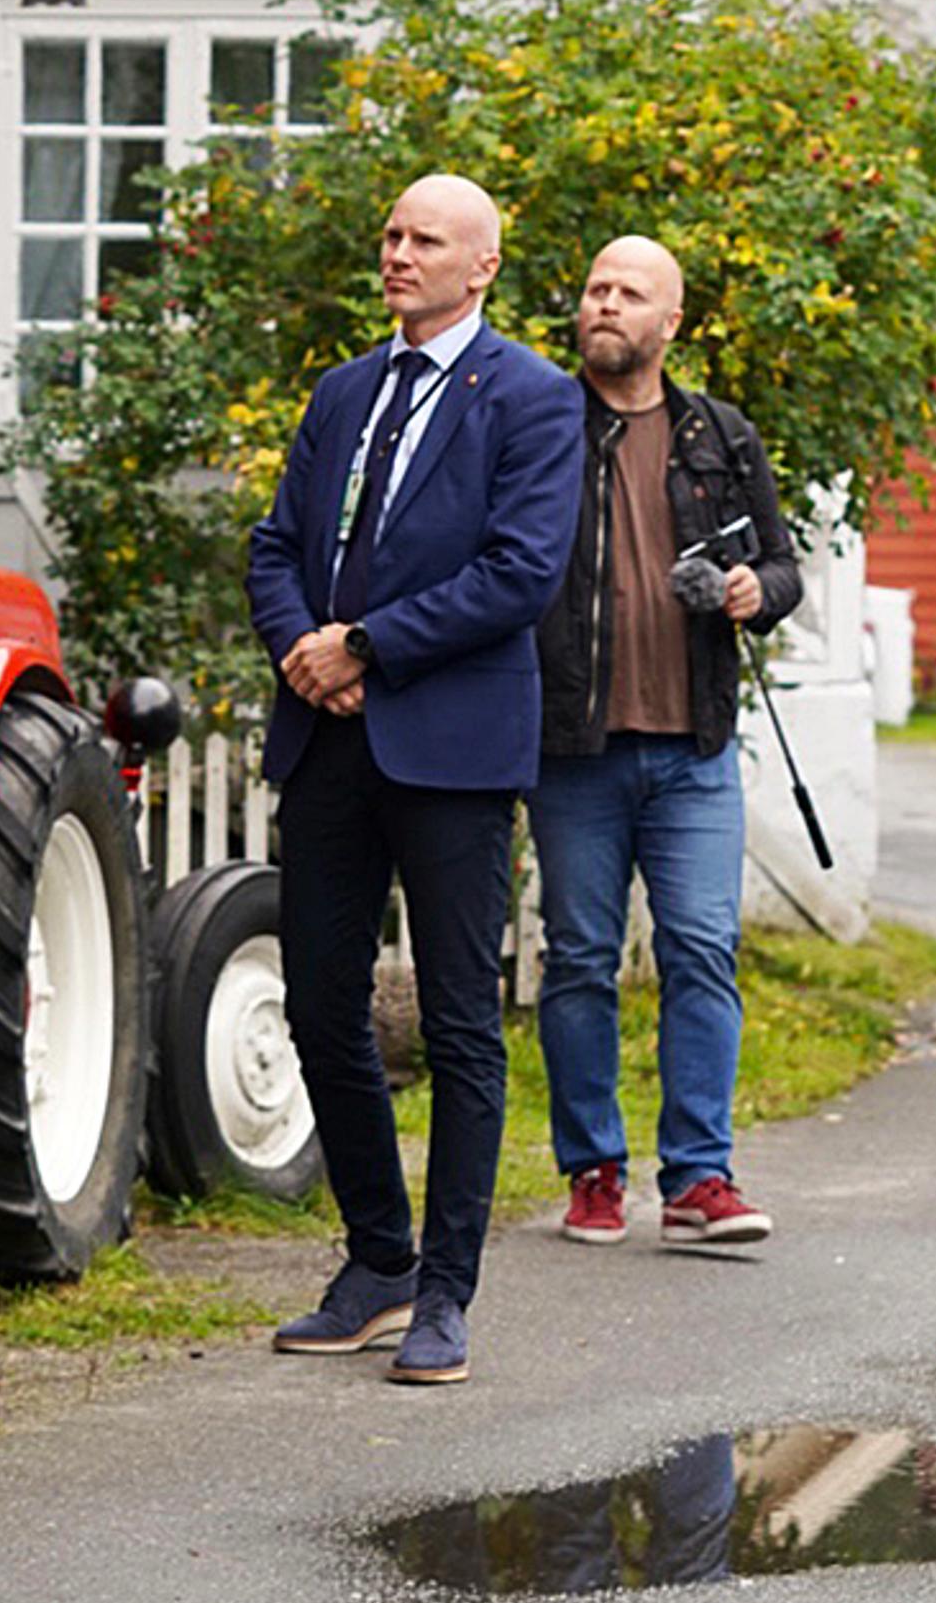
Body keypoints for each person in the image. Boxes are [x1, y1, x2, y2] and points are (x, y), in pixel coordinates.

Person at [245, 174, 584, 1386]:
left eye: (424, 239)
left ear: (481, 265)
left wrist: (369, 646)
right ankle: (378, 1261)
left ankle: (446, 1293)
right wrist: (305, 647)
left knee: (458, 1024)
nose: (397, 253)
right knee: (319, 1004)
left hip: (451, 750)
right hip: (328, 739)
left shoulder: (533, 398)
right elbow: (277, 544)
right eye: (391, 234)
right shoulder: (345, 392)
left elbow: (521, 571)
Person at [526, 235, 805, 1252]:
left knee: (701, 953)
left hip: (695, 749)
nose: (605, 304)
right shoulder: (540, 426)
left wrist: (754, 591)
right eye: (596, 288)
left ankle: (698, 1177)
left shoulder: (720, 436)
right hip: (575, 747)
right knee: (580, 961)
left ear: (670, 322)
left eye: (629, 293)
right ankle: (593, 1170)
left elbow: (784, 569)